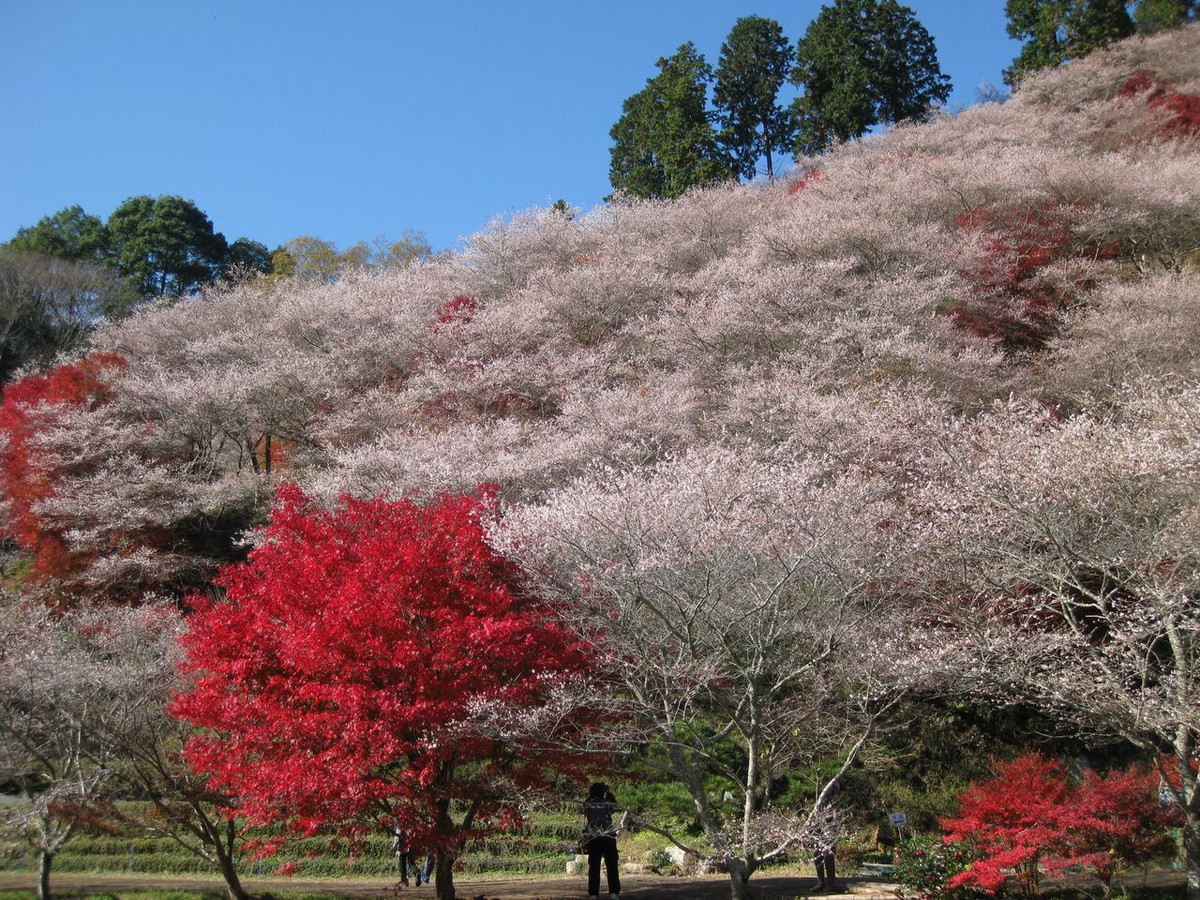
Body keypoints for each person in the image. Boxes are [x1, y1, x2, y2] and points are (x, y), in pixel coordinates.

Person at [582, 782, 620, 900]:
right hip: (608, 835)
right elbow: (613, 809)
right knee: (612, 864)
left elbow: (586, 813)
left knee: (594, 866)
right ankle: (614, 892)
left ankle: (593, 893)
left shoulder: (588, 802)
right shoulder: (606, 802)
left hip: (593, 836)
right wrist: (609, 795)